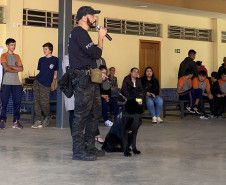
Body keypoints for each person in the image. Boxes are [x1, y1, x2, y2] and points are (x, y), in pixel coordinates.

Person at [68, 6, 107, 161]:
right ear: (84, 17)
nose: (95, 19)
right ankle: (78, 150)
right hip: (83, 79)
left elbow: (91, 56)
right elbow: (96, 54)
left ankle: (89, 146)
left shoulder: (81, 34)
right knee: (81, 115)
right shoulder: (79, 33)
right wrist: (101, 37)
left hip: (90, 78)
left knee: (95, 112)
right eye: (93, 16)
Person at [31, 42, 58, 129]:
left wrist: (53, 84)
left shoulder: (55, 60)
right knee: (37, 101)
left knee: (44, 102)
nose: (44, 50)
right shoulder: (41, 59)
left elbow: (55, 74)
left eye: (46, 49)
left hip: (46, 84)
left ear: (50, 50)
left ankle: (47, 116)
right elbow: (40, 71)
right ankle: (38, 120)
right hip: (37, 81)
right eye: (43, 49)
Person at [0, 38, 24, 129]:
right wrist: (15, 68)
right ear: (7, 46)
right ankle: (2, 120)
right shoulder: (3, 55)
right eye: (11, 45)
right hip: (6, 82)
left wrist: (10, 67)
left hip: (17, 84)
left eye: (14, 45)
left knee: (17, 103)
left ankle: (16, 121)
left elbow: (21, 69)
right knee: (4, 103)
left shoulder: (17, 56)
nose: (13, 47)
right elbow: (5, 68)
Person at [62, 55, 75, 133]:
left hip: (82, 90)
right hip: (71, 88)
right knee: (73, 113)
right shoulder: (67, 58)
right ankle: (75, 136)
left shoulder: (83, 56)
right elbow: (68, 70)